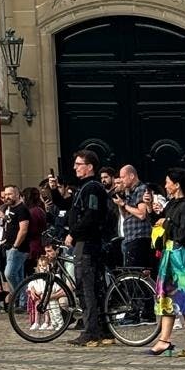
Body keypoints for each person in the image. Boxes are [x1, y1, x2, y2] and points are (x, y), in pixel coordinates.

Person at [148, 168, 185, 357]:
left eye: (168, 182)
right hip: (169, 256)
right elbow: (159, 223)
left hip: (182, 258)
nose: (165, 185)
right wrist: (151, 210)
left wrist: (167, 223)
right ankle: (164, 340)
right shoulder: (172, 204)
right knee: (167, 298)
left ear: (177, 184)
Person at [65, 148, 113, 347]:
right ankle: (102, 330)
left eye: (79, 164)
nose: (75, 168)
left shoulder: (92, 188)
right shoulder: (85, 187)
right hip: (89, 242)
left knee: (87, 288)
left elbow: (91, 215)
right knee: (95, 287)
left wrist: (73, 233)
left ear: (89, 167)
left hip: (87, 243)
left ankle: (92, 331)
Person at [114, 165, 153, 274]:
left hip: (139, 238)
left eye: (123, 177)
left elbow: (142, 214)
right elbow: (125, 215)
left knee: (136, 273)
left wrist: (124, 204)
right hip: (130, 238)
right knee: (129, 272)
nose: (121, 180)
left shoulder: (141, 189)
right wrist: (120, 202)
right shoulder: (129, 192)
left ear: (131, 176)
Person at [0, 186, 30, 296]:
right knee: (18, 275)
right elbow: (12, 223)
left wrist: (15, 246)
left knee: (9, 274)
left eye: (10, 194)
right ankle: (22, 302)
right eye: (6, 195)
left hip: (19, 248)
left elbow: (23, 230)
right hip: (9, 246)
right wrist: (3, 217)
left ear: (17, 195)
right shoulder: (11, 208)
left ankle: (19, 295)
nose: (7, 197)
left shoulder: (22, 209)